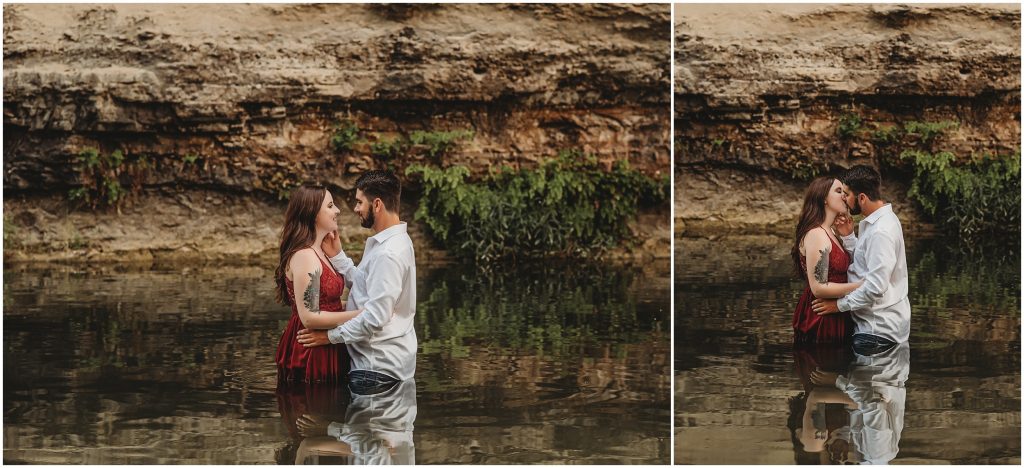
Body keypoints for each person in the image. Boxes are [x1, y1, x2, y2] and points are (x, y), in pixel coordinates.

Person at [296, 170, 418, 394]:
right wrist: (338, 257)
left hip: (375, 368)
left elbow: (375, 318)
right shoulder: (393, 243)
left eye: (360, 202)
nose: (355, 208)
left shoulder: (388, 253)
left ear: (377, 204)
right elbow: (365, 286)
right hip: (382, 366)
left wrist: (329, 337)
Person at [813, 165, 910, 355]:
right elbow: (865, 264)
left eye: (847, 194)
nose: (844, 199)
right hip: (876, 328)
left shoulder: (880, 231)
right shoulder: (880, 222)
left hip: (876, 331)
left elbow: (875, 287)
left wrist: (838, 306)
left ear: (862, 198)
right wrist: (849, 238)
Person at [274, 185, 362, 383]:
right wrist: (363, 314)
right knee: (315, 400)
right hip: (311, 347)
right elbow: (310, 317)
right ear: (312, 214)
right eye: (330, 206)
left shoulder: (321, 252)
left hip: (328, 340)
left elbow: (328, 303)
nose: (337, 211)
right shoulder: (306, 256)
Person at [791, 177, 863, 343]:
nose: (844, 196)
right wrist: (862, 286)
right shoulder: (817, 234)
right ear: (823, 198)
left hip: (837, 310)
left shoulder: (832, 232)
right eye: (839, 191)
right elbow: (818, 288)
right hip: (821, 315)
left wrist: (848, 236)